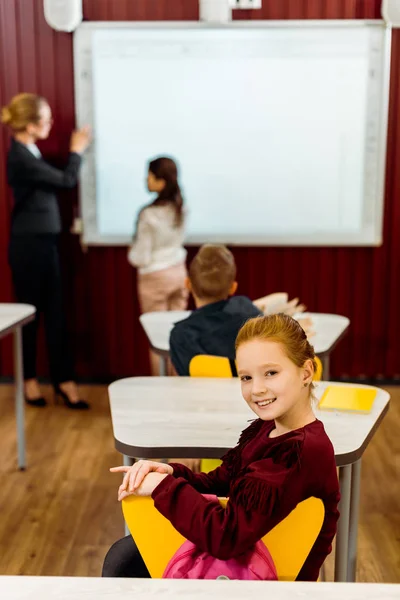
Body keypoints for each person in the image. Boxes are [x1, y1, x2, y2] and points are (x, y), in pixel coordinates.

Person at [103, 314, 340, 581]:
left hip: (272, 578)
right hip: (251, 556)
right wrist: (170, 473)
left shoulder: (298, 452)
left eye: (271, 373)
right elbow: (223, 480)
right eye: (246, 377)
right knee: (126, 555)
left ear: (306, 372)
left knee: (125, 561)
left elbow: (226, 538)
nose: (257, 389)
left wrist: (162, 488)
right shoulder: (269, 428)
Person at [1, 93, 91, 408]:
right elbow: (66, 179)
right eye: (46, 119)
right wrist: (77, 151)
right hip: (30, 246)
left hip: (43, 243)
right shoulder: (20, 157)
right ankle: (31, 383)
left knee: (55, 314)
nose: (51, 123)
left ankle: (62, 381)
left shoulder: (29, 151)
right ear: (29, 125)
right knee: (31, 316)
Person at [169, 244, 307, 376]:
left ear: (188, 284)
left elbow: (184, 380)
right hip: (250, 395)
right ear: (233, 288)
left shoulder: (180, 335)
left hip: (199, 398)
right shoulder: (247, 312)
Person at [128, 156, 188, 375]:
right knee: (176, 335)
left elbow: (140, 255)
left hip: (154, 276)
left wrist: (132, 256)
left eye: (150, 175)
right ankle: (178, 384)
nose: (146, 179)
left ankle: (161, 387)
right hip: (178, 272)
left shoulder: (148, 214)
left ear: (160, 181)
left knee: (157, 338)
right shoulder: (181, 208)